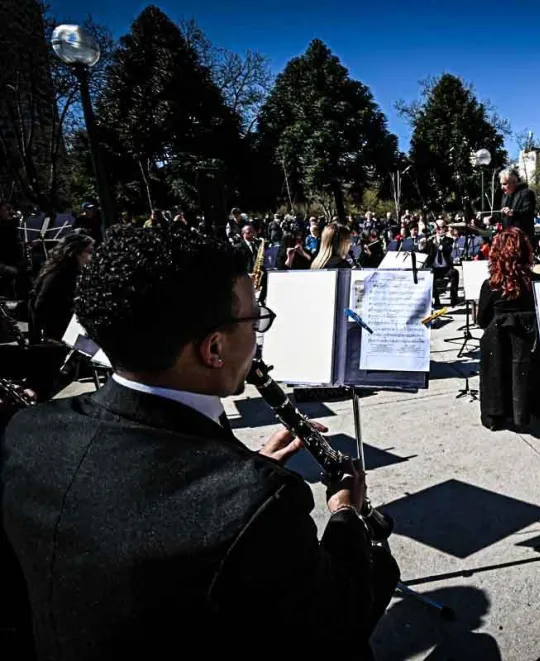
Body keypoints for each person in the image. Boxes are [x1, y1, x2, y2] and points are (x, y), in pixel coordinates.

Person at [1, 225, 398, 658]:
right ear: (214, 349)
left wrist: (233, 468)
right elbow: (336, 624)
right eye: (255, 318)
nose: (258, 335)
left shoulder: (28, 433)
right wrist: (345, 515)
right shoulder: (258, 506)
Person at [477, 227, 540, 430]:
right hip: (529, 346)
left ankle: (496, 414)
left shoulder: (490, 285)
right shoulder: (539, 282)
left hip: (497, 349)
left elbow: (482, 320)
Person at [28, 233, 94, 341]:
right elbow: (41, 308)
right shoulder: (58, 275)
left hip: (67, 331)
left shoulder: (71, 273)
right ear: (75, 253)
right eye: (89, 251)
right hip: (59, 336)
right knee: (100, 352)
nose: (92, 256)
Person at [426, 223, 459, 308]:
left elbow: (448, 250)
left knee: (455, 273)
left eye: (442, 228)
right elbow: (426, 252)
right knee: (428, 276)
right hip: (435, 268)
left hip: (445, 268)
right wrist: (424, 244)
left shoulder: (449, 240)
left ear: (445, 229)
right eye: (438, 228)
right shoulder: (430, 240)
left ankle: (454, 299)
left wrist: (439, 246)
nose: (440, 230)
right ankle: (436, 300)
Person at [499, 168, 536, 239]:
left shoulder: (527, 193)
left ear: (514, 182)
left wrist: (513, 212)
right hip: (507, 239)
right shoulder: (505, 196)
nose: (502, 187)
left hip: (522, 239)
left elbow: (528, 211)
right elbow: (502, 216)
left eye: (504, 184)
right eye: (501, 184)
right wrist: (491, 219)